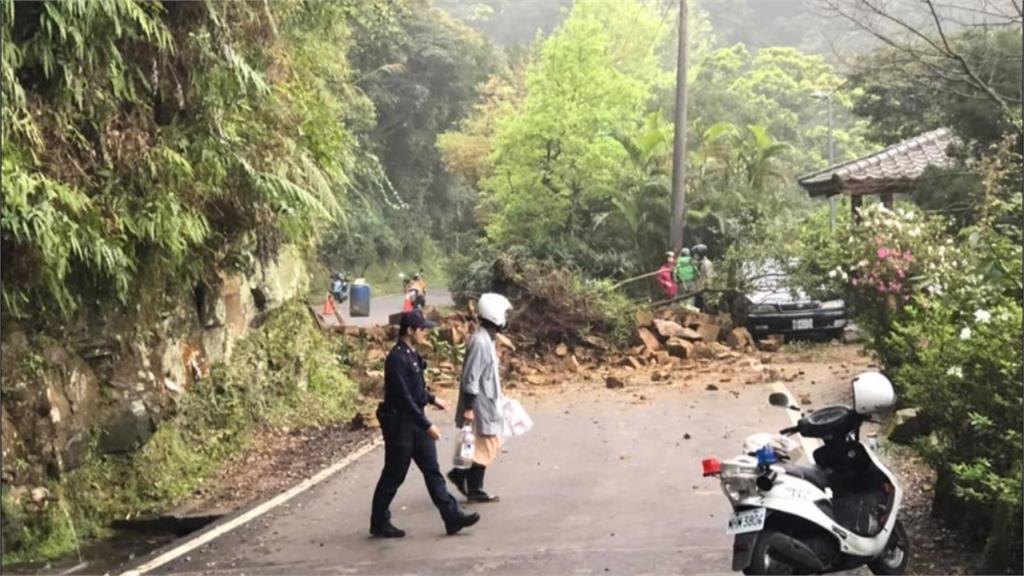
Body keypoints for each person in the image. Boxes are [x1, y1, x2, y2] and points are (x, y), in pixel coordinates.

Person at [370, 309, 481, 538]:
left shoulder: (411, 355)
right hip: (401, 425)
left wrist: (431, 399)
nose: (425, 334)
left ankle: (452, 517)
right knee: (394, 474)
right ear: (410, 330)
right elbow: (403, 398)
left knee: (432, 471)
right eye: (422, 329)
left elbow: (416, 389)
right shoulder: (396, 359)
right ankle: (379, 521)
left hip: (415, 423)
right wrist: (427, 424)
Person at [447, 293, 513, 503]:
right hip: (479, 405)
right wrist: (469, 408)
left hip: (487, 402)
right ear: (495, 315)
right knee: (485, 445)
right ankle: (469, 483)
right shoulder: (480, 342)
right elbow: (471, 378)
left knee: (483, 444)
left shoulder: (487, 339)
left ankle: (465, 479)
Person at [692, 244, 714, 312]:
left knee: (706, 311)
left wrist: (707, 290)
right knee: (696, 310)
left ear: (700, 254)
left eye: (696, 254)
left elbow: (709, 278)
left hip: (704, 292)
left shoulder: (707, 264)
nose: (694, 256)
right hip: (698, 291)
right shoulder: (698, 263)